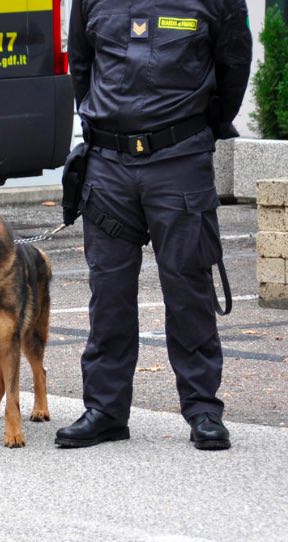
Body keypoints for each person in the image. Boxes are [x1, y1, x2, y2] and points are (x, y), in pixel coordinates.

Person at [56, 0, 252, 450]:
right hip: (108, 165)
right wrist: (103, 128)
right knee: (108, 293)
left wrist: (203, 128)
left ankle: (203, 409)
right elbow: (81, 65)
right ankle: (105, 409)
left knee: (188, 289)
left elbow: (234, 66)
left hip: (179, 160)